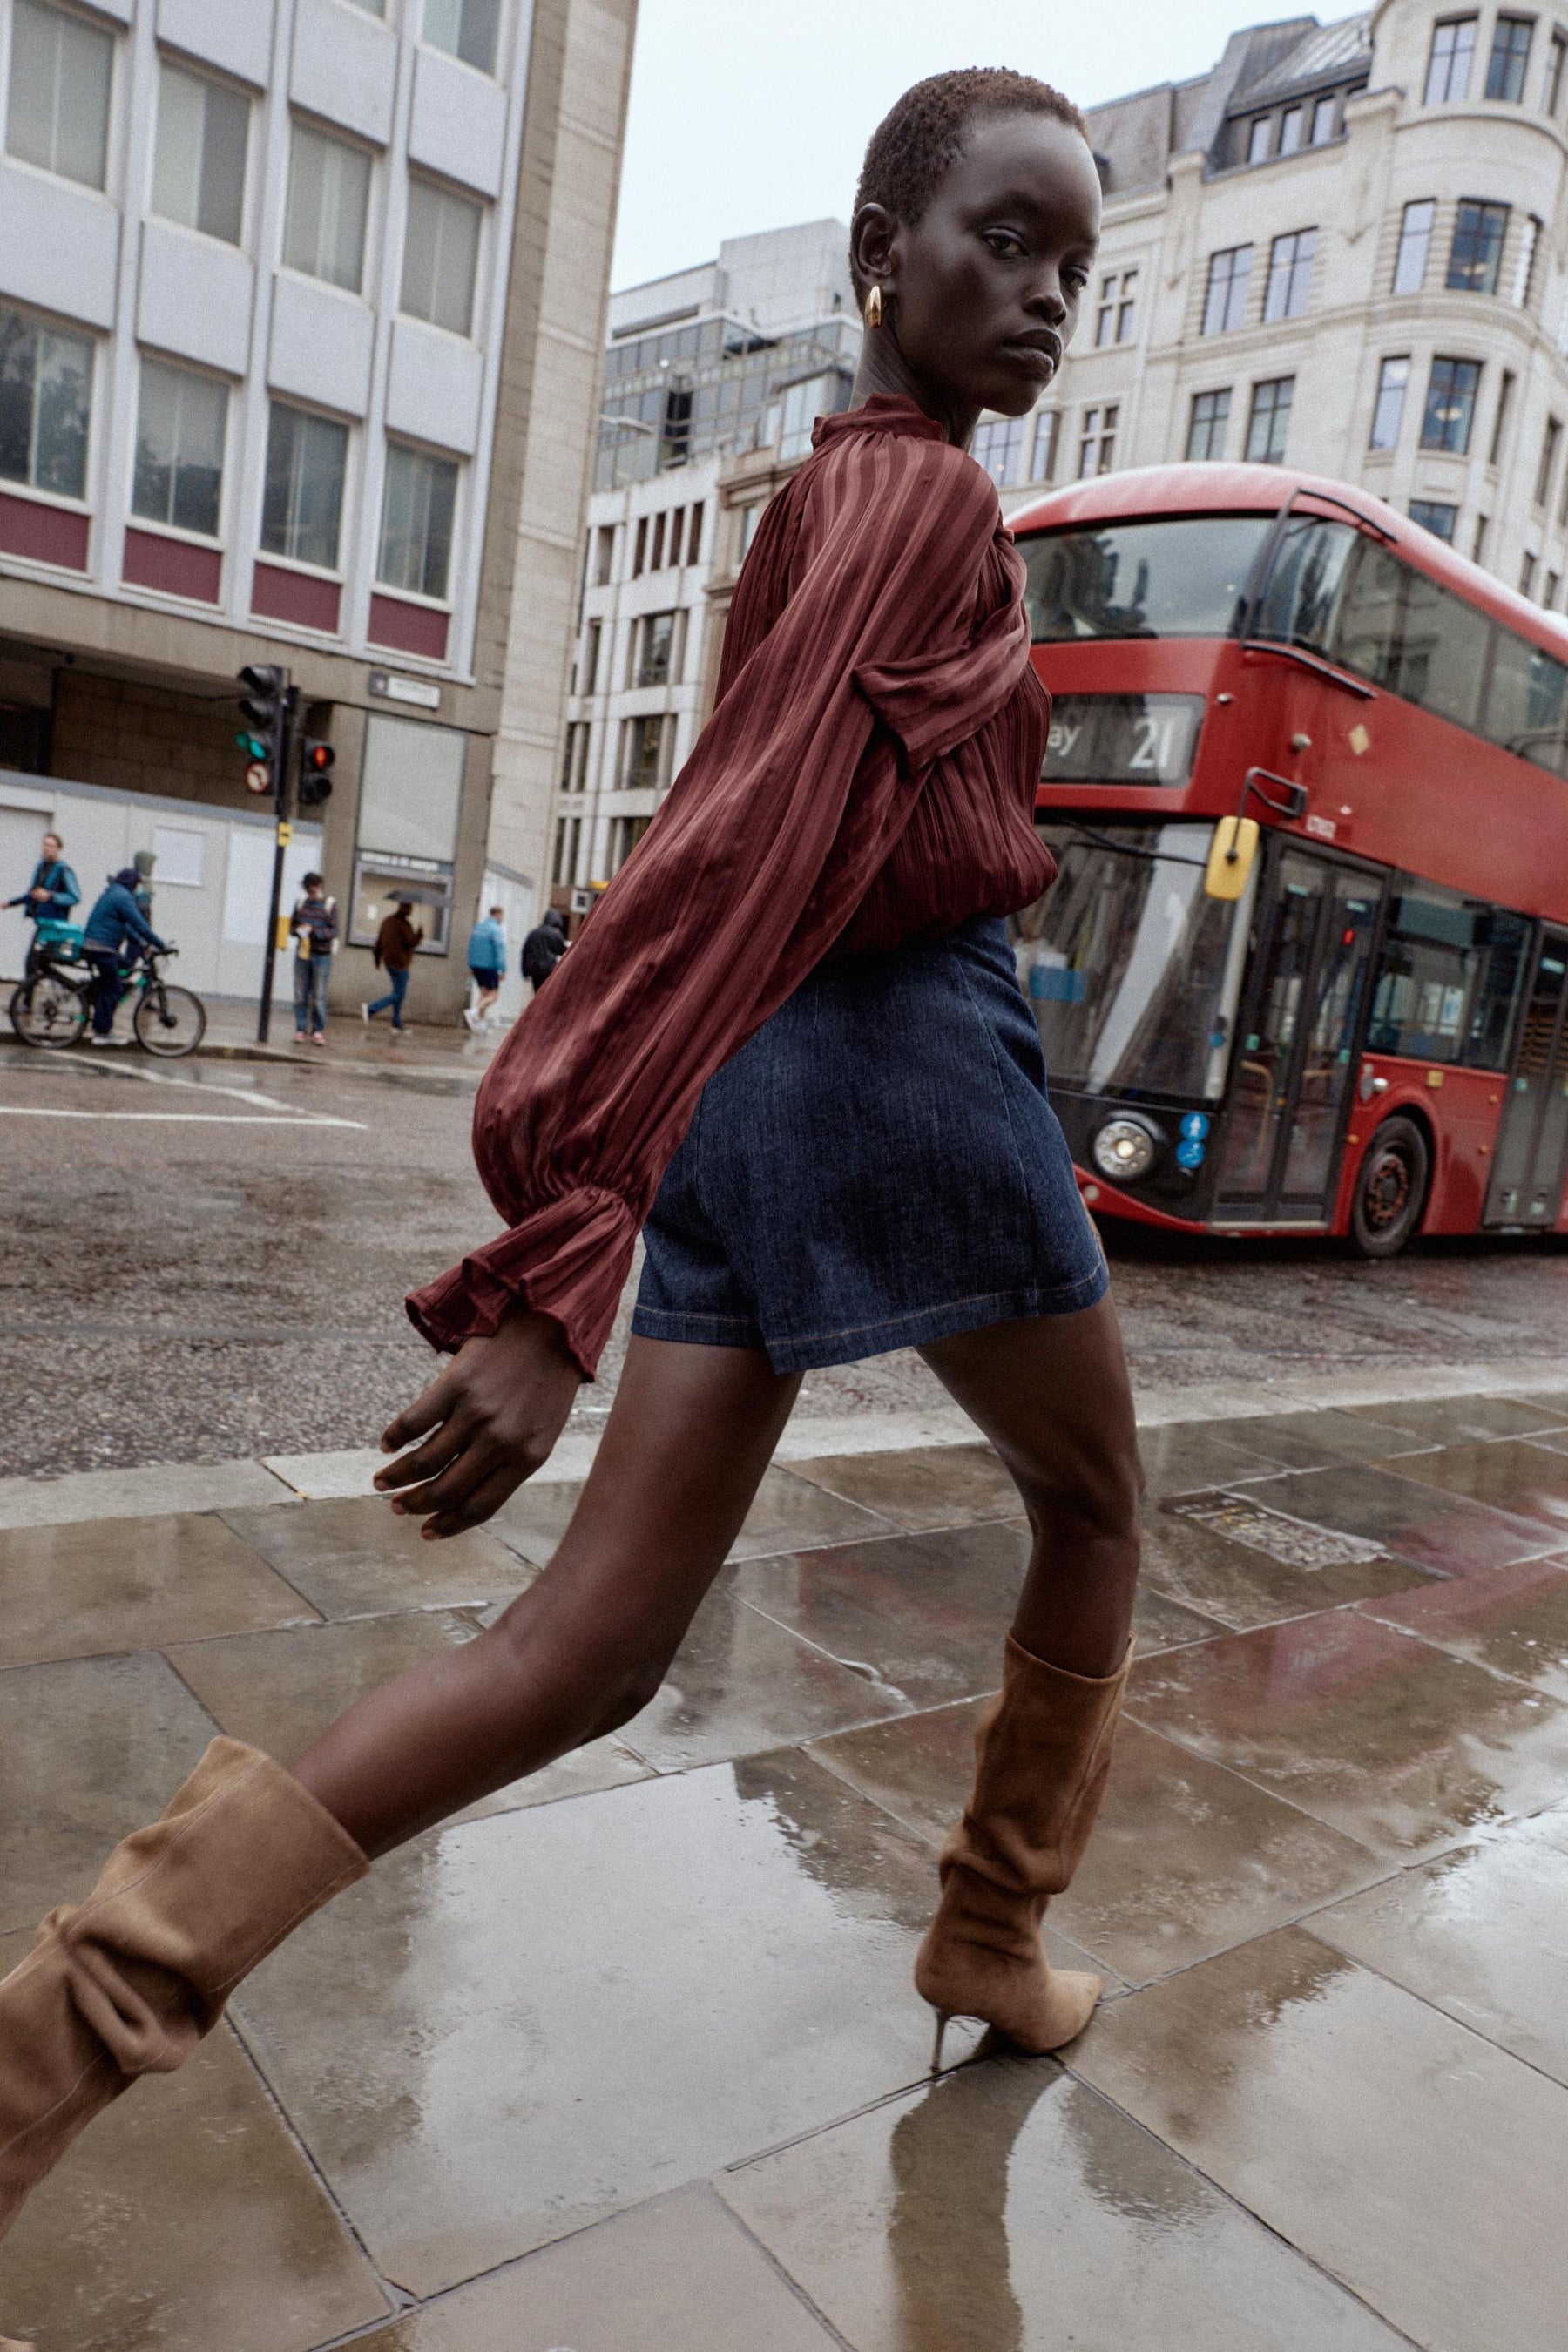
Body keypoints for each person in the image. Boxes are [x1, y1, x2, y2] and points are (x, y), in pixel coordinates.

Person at [0, 73, 1140, 2283]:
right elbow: (740, 856)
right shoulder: (918, 510)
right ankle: (993, 1934)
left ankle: (36, 2060)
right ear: (876, 251)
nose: (1044, 297)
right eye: (1003, 239)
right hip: (896, 1057)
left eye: (1075, 264)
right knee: (1096, 1503)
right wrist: (566, 1238)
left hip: (754, 1080)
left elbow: (718, 851)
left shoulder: (830, 499)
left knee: (575, 1648)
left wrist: (619, 1183)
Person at [80, 867, 167, 1044]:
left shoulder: (114, 892)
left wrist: (143, 944)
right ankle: (101, 1032)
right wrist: (161, 945)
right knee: (113, 988)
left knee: (125, 967)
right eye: (137, 884)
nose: (138, 889)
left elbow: (128, 927)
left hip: (96, 945)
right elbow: (140, 924)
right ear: (132, 883)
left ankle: (94, 995)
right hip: (102, 948)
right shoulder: (124, 897)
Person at [6, 828, 78, 974]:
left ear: (59, 849)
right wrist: (10, 903)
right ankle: (32, 993)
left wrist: (51, 896)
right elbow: (34, 894)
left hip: (55, 926)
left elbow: (74, 897)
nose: (46, 848)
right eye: (45, 844)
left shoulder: (64, 870)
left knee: (34, 962)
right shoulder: (42, 867)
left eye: (50, 845)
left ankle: (49, 990)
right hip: (43, 923)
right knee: (35, 963)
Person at [291, 872, 339, 1045]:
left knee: (318, 995)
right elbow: (292, 928)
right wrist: (299, 930)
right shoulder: (300, 903)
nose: (312, 893)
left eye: (315, 890)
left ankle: (318, 1030)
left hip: (322, 956)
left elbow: (334, 931)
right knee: (299, 994)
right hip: (303, 954)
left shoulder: (329, 904)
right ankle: (301, 1029)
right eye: (309, 890)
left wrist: (315, 932)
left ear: (320, 887)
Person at [362, 896, 422, 1031]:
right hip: (400, 963)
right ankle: (371, 1009)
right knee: (399, 994)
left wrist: (377, 959)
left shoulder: (387, 921)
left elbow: (379, 941)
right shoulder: (404, 924)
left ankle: (396, 1021)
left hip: (388, 962)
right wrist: (419, 935)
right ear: (405, 908)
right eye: (409, 908)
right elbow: (411, 942)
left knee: (397, 992)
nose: (410, 911)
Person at [463, 903, 507, 1032]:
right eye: (502, 916)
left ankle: (480, 1023)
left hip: (476, 966)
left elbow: (471, 946)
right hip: (489, 966)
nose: (502, 918)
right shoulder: (496, 930)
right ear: (497, 915)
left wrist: (471, 964)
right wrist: (502, 969)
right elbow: (500, 951)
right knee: (493, 995)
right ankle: (474, 1011)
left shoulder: (478, 927)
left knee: (484, 994)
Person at [519, 905, 567, 992]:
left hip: (535, 970)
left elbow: (525, 952)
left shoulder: (533, 933)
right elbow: (563, 950)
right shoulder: (555, 934)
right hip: (549, 969)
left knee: (537, 993)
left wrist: (525, 971)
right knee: (548, 993)